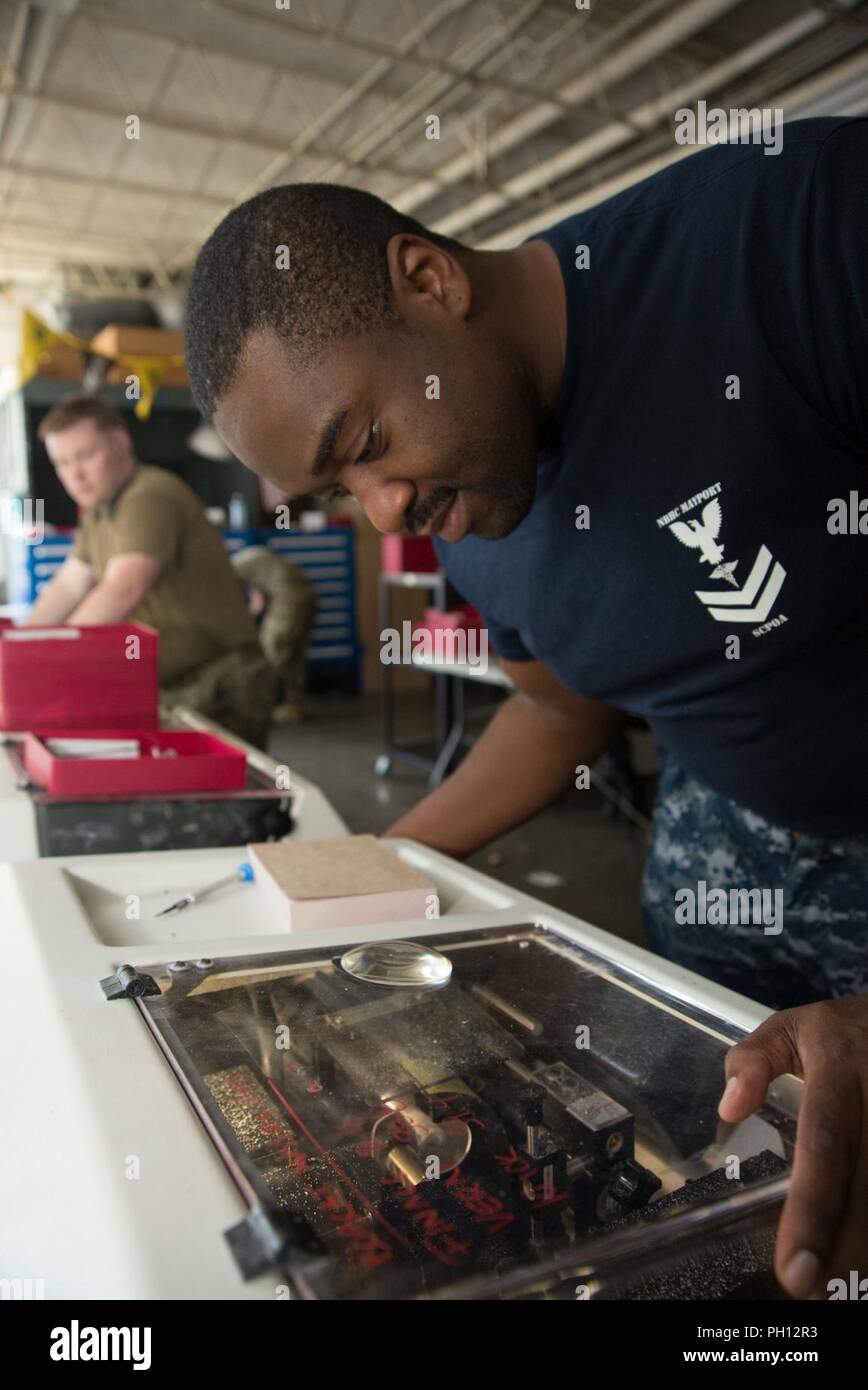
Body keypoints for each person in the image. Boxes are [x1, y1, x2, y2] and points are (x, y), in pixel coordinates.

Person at [183, 118, 868, 1298]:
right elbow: (561, 710)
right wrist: (365, 867)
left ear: (431, 280)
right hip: (720, 843)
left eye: (364, 444)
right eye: (332, 493)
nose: (384, 510)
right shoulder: (470, 503)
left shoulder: (794, 231)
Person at [28, 395, 277, 747]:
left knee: (212, 796)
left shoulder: (149, 495)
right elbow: (68, 586)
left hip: (221, 680)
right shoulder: (99, 513)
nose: (75, 475)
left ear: (121, 442)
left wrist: (55, 662)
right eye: (62, 462)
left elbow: (124, 588)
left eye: (85, 456)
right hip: (173, 682)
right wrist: (20, 649)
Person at [230, 545, 317, 720]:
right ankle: (293, 706)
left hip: (288, 599)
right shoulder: (248, 559)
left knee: (272, 653)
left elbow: (241, 604)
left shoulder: (233, 570)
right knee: (295, 654)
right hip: (307, 593)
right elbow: (258, 600)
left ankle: (259, 710)